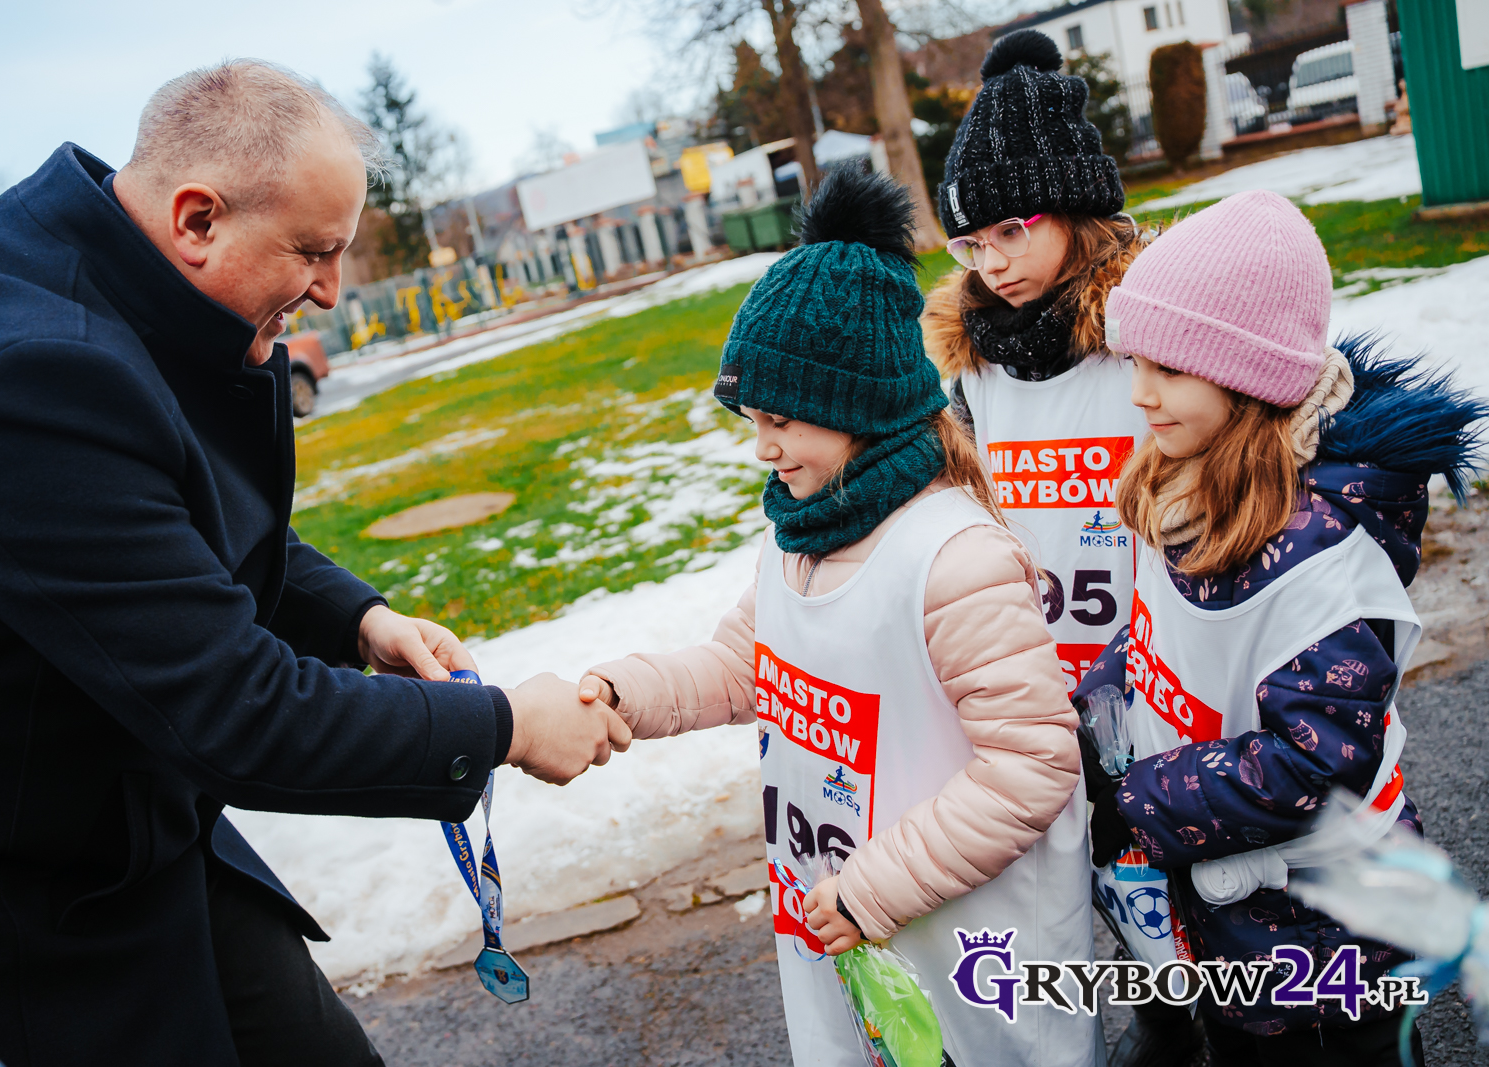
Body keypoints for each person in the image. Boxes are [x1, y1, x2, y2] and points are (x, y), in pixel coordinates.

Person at [0, 61, 628, 1067]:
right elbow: (236, 708)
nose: (329, 291)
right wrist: (504, 726)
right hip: (22, 915)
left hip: (143, 832)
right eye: (314, 252)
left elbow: (175, 529)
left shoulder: (111, 270)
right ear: (197, 219)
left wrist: (358, 618)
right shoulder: (23, 380)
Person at [574, 166, 1098, 1067]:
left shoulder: (955, 559)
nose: (763, 446)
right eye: (753, 418)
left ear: (860, 407)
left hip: (959, 963)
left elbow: (1033, 765)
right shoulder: (800, 539)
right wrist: (625, 692)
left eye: (783, 419)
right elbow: (744, 666)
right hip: (847, 942)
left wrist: (871, 890)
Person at [1088, 189, 1487, 1066]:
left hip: (1327, 938)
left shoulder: (1321, 560)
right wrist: (1101, 702)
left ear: (1248, 378)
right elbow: (1165, 630)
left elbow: (1316, 758)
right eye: (1135, 361)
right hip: (1239, 918)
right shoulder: (1186, 483)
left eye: (1168, 368)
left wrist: (1141, 797)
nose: (1140, 392)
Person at [922, 28, 1149, 699]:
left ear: (1076, 209)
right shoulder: (976, 367)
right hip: (1033, 682)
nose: (991, 263)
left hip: (1160, 678)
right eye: (971, 243)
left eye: (1011, 230)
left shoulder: (1151, 339)